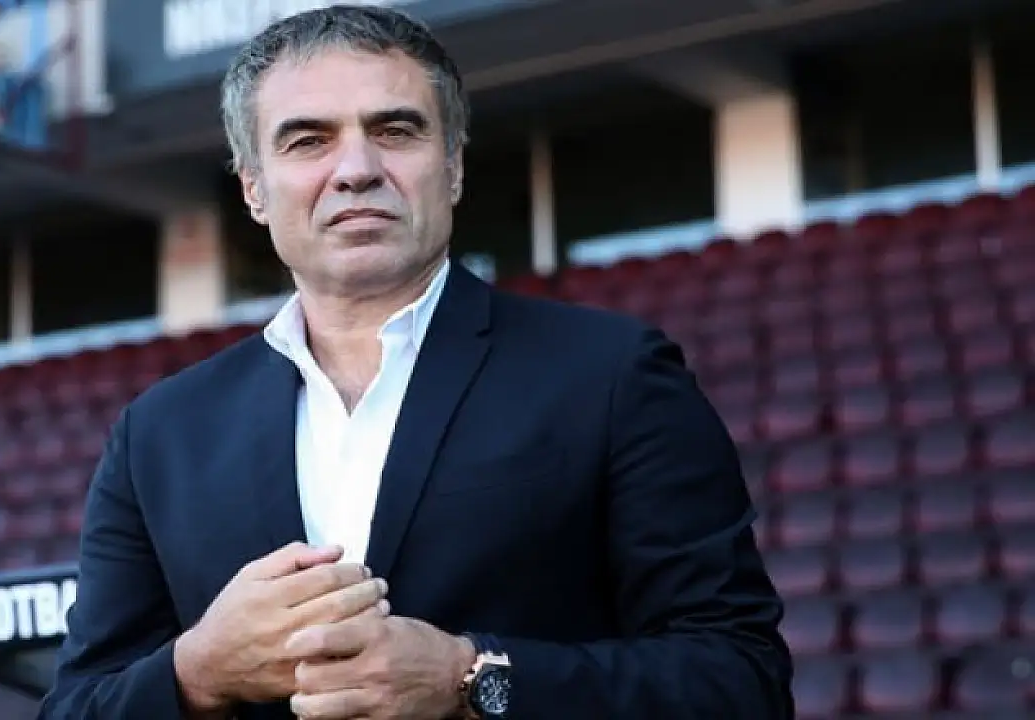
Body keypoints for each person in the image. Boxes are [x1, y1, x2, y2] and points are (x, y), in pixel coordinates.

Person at [39, 5, 793, 719]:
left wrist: (472, 679)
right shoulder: (159, 436)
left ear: (454, 167)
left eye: (395, 130)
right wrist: (196, 674)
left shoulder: (612, 375)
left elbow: (741, 681)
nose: (356, 169)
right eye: (308, 141)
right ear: (254, 189)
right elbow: (74, 706)